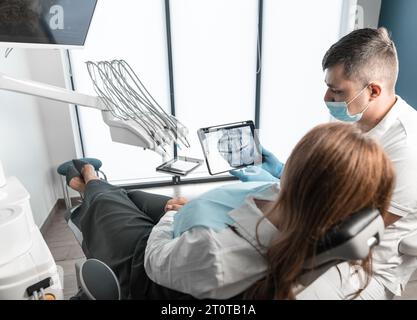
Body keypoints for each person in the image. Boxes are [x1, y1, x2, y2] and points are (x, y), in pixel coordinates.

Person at [67, 122, 395, 300]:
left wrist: (172, 212)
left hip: (154, 268)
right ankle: (92, 188)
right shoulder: (328, 240)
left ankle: (88, 180)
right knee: (136, 195)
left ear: (300, 179)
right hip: (196, 230)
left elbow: (156, 260)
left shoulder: (217, 257)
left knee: (111, 205)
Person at [232, 27, 417, 299]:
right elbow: (331, 187)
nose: (327, 99)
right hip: (326, 236)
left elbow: (357, 229)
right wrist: (285, 172)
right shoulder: (355, 117)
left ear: (373, 91)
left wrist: (259, 218)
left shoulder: (407, 146)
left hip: (364, 267)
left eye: (336, 91)